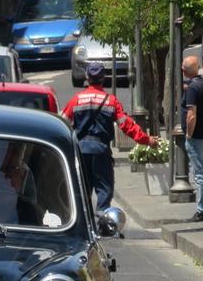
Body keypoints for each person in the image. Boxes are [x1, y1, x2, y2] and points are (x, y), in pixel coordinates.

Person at [61, 62, 159, 213]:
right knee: (104, 190)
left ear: (87, 77)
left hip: (80, 152)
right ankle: (103, 221)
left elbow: (62, 124)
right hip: (101, 151)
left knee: (81, 190)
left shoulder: (76, 100)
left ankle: (83, 223)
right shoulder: (110, 101)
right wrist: (147, 140)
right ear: (103, 78)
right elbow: (127, 125)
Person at [181, 55, 203, 222]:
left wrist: (189, 134)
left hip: (198, 136)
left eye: (183, 68)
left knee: (200, 174)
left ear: (186, 71)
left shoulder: (193, 89)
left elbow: (191, 115)